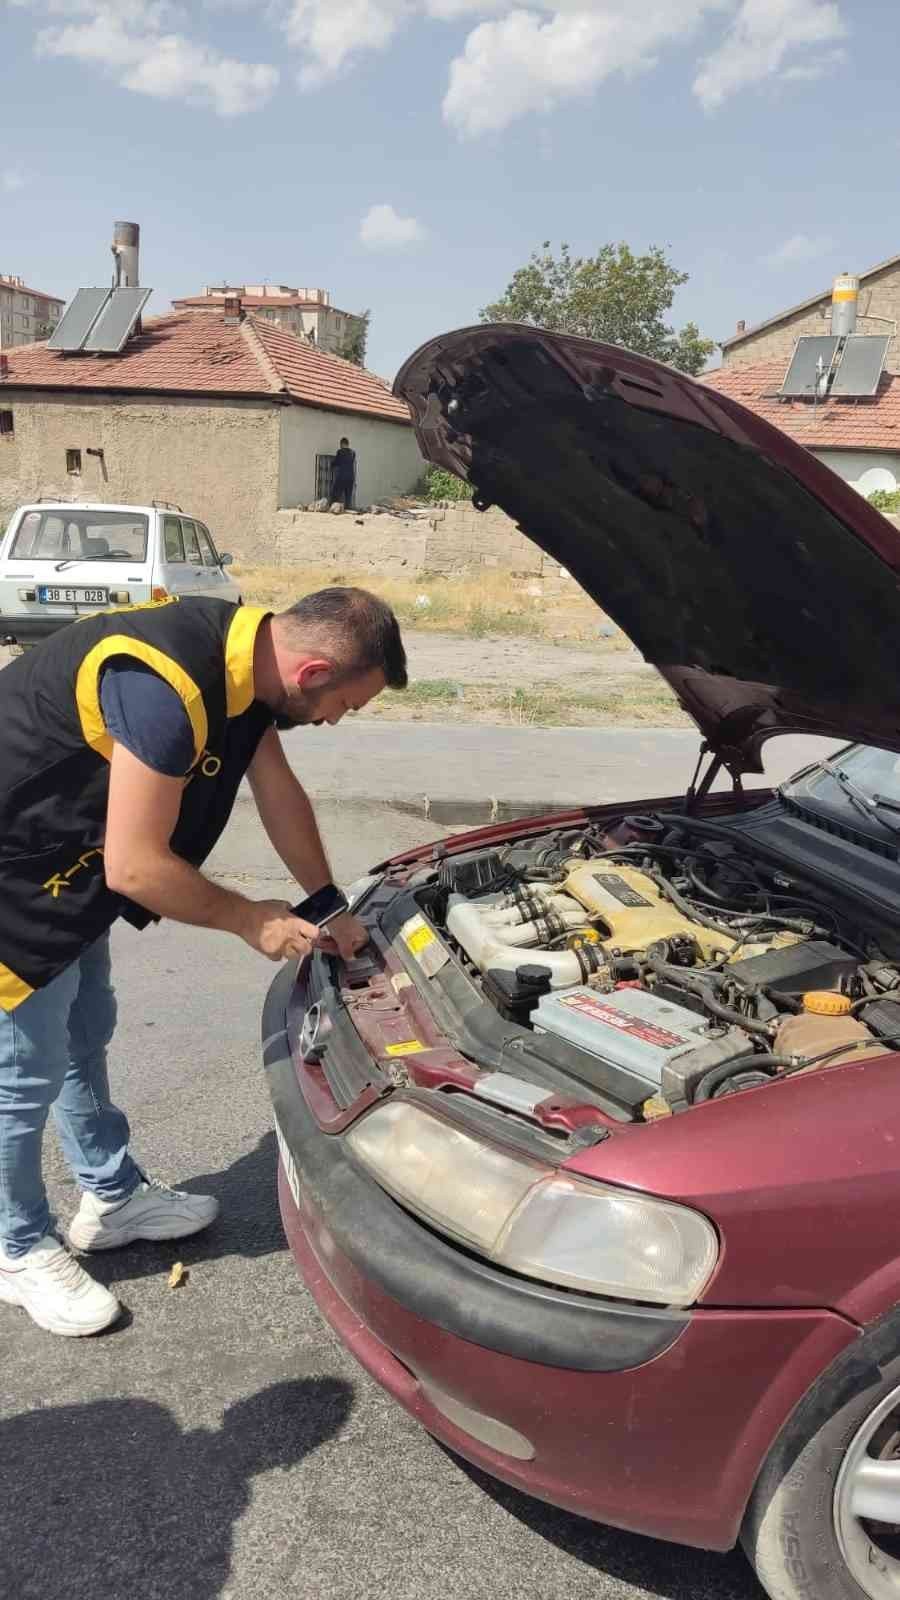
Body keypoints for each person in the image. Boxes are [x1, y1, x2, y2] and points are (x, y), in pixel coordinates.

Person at [0, 588, 407, 1337]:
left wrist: (325, 902)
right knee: (21, 1072)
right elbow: (135, 868)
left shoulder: (247, 665)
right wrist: (250, 919)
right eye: (344, 705)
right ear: (312, 671)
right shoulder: (167, 686)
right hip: (14, 877)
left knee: (84, 1032)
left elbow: (278, 793)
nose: (334, 721)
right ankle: (17, 1246)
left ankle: (110, 1196)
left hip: (65, 866)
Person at [330, 437, 356, 510]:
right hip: (351, 477)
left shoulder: (340, 452)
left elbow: (337, 462)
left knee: (336, 492)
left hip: (342, 477)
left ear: (342, 444)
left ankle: (334, 508)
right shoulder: (353, 453)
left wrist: (331, 464)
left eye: (340, 444)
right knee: (348, 495)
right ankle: (348, 509)